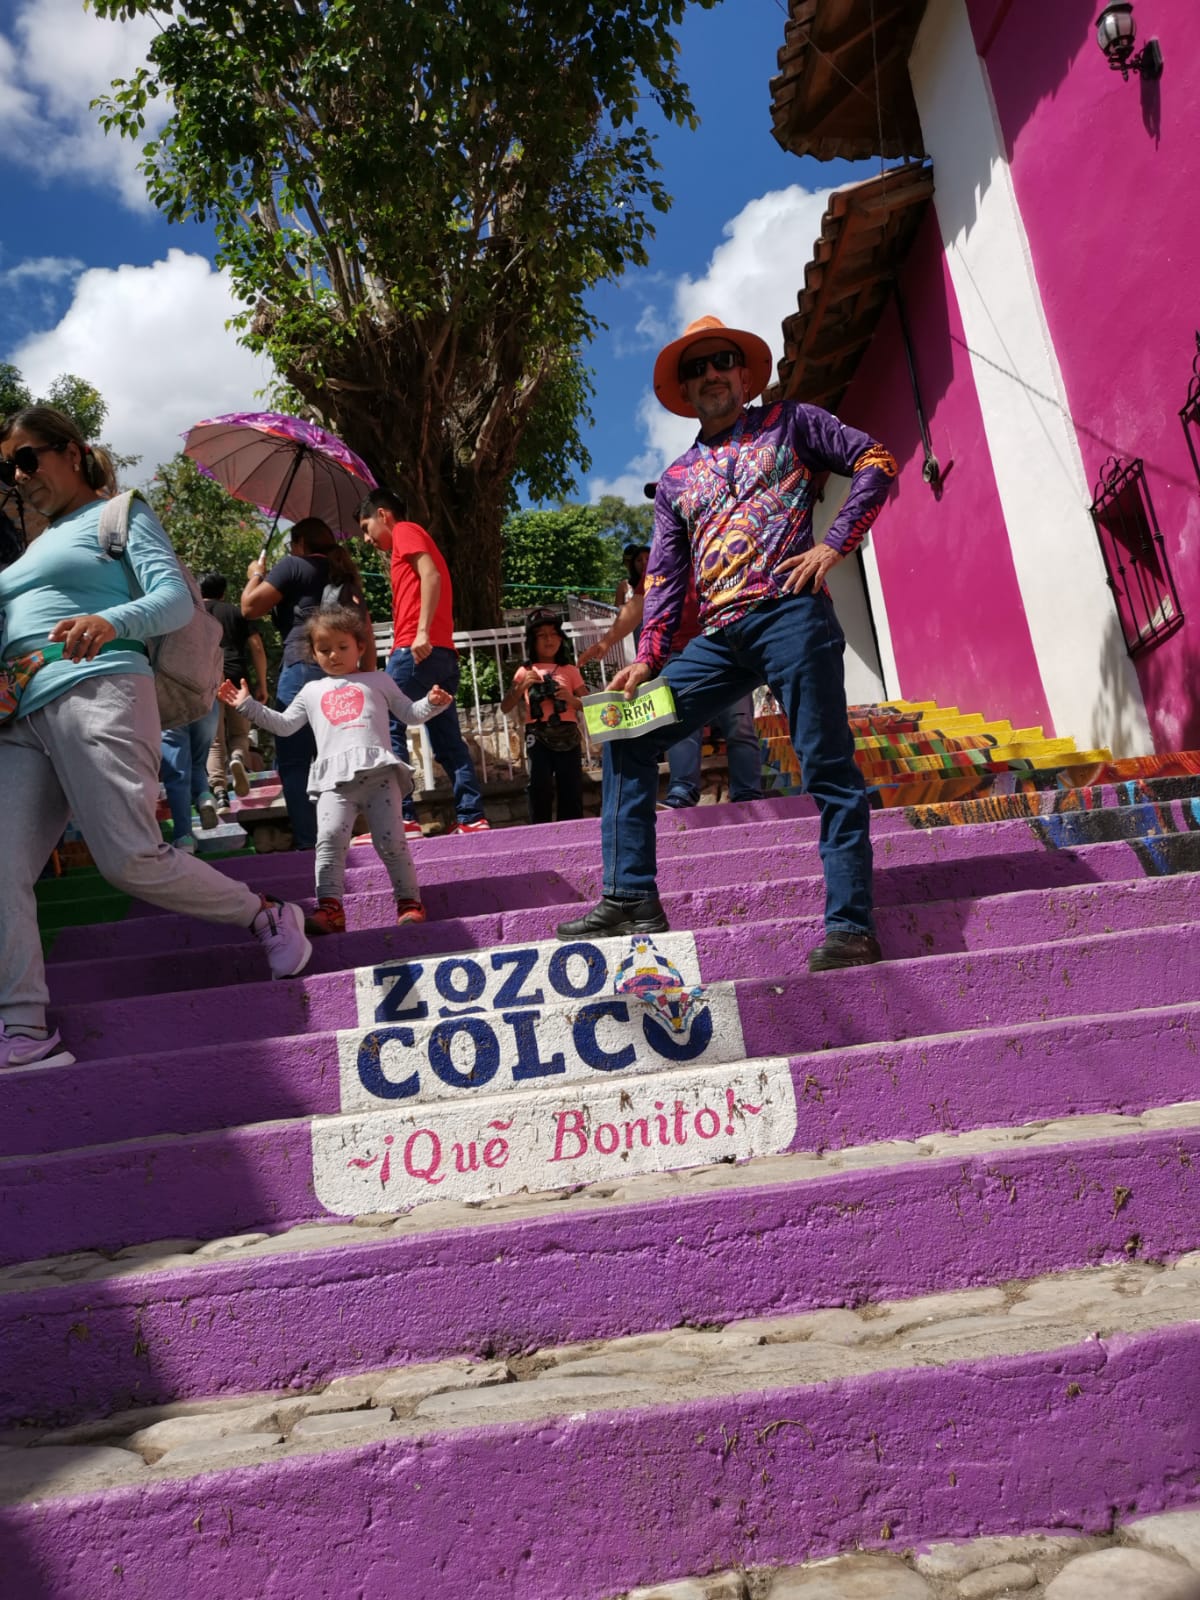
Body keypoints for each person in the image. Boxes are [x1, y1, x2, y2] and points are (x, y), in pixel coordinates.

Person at [557, 314, 897, 972]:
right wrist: (651, 655)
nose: (711, 373)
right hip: (717, 641)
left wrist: (835, 544)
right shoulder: (677, 481)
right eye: (697, 367)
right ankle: (629, 895)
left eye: (721, 361)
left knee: (825, 764)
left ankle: (852, 926)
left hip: (792, 616)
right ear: (685, 389)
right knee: (627, 735)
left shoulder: (792, 423)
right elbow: (663, 575)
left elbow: (875, 461)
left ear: (744, 375)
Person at [0, 406, 312, 1069]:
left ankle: (266, 913)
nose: (18, 475)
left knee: (128, 858)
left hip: (99, 689)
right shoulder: (33, 547)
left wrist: (111, 621)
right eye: (8, 466)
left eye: (28, 458)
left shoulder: (119, 514)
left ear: (74, 452)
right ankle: (24, 1032)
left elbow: (174, 599)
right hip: (22, 717)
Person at [220, 602, 452, 934]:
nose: (334, 655)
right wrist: (247, 705)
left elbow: (409, 713)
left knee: (392, 842)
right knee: (327, 840)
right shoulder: (311, 690)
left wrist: (432, 702)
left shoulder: (379, 679)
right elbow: (285, 725)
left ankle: (409, 902)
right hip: (333, 782)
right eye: (324, 649)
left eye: (343, 647)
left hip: (379, 776)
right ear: (313, 654)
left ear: (360, 646)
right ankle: (330, 909)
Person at [580, 512, 763, 811]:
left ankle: (748, 795)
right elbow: (638, 604)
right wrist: (606, 641)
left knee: (739, 724)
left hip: (727, 645)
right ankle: (682, 793)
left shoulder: (724, 539)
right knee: (681, 723)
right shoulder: (662, 555)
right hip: (680, 653)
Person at [357, 488, 489, 835]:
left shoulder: (405, 531)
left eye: (365, 526)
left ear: (383, 514)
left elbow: (431, 576)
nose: (366, 539)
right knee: (447, 739)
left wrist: (420, 633)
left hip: (418, 651)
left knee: (385, 724)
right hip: (442, 656)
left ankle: (400, 817)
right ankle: (471, 817)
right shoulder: (407, 539)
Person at [240, 517, 375, 851]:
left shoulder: (293, 566)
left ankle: (310, 842)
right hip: (344, 675)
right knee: (337, 758)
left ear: (299, 543)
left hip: (302, 669)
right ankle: (342, 836)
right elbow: (367, 632)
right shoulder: (343, 576)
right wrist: (367, 678)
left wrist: (255, 574)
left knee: (295, 761)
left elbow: (248, 607)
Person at [500, 610, 587, 825]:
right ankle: (540, 830)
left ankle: (573, 830)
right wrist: (522, 687)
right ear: (532, 641)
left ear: (561, 638)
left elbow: (590, 705)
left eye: (553, 634)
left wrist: (569, 699)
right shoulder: (524, 670)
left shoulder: (570, 670)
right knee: (539, 785)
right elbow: (505, 706)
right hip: (537, 733)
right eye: (541, 635)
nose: (549, 639)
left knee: (571, 785)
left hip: (568, 732)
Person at [200, 571, 268, 815]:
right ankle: (238, 757)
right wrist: (262, 684)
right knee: (240, 732)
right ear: (223, 592)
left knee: (214, 741)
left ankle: (219, 794)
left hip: (207, 679)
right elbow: (257, 647)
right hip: (236, 676)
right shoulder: (236, 612)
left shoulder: (193, 615)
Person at [159, 701, 220, 851]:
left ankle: (184, 837)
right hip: (206, 701)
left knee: (178, 774)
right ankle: (205, 797)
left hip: (169, 701)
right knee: (197, 762)